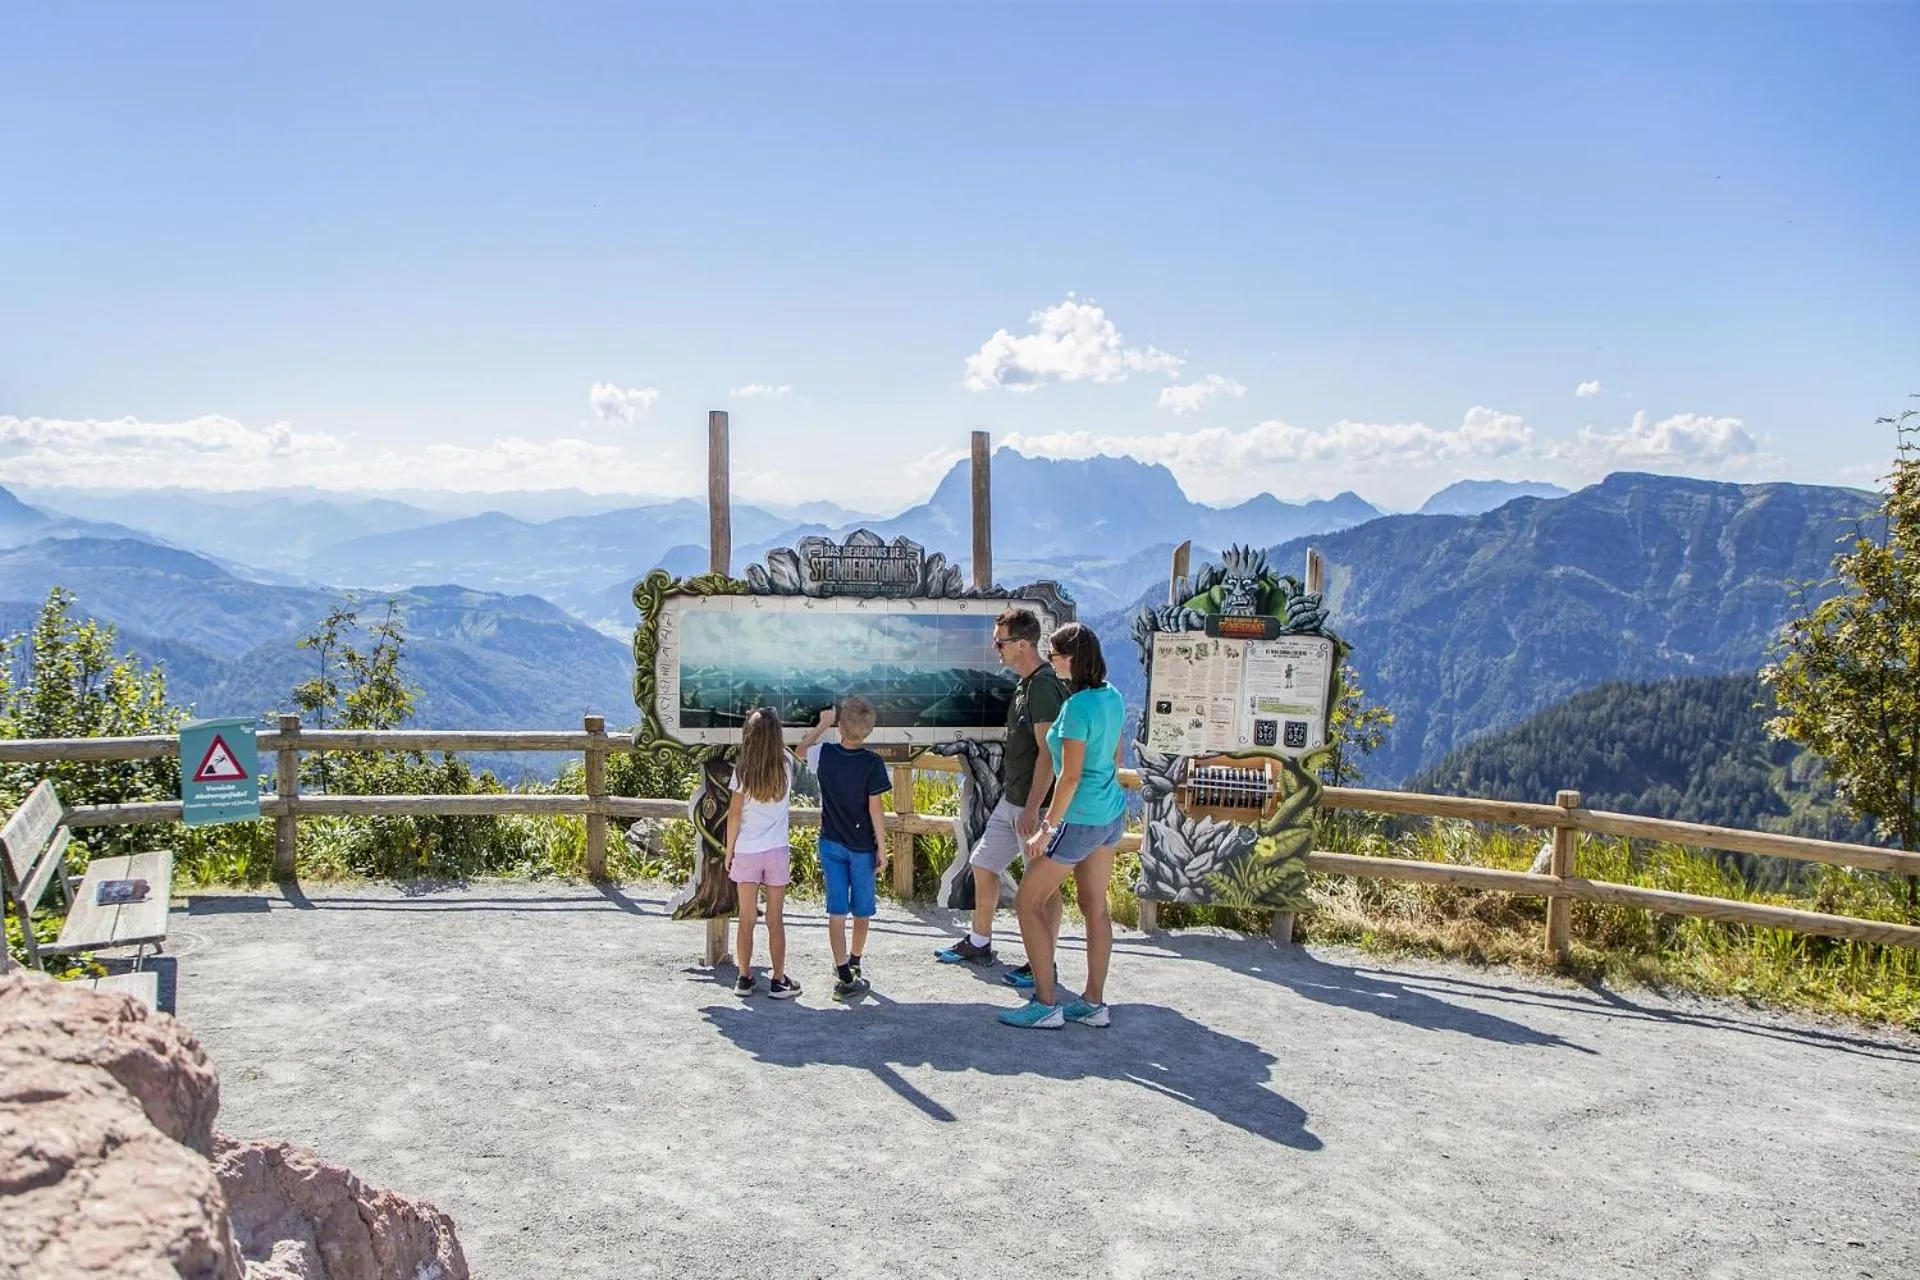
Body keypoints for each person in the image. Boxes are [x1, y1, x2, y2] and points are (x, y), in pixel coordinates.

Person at [999, 622, 1127, 1030]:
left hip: (1079, 818)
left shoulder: (1075, 709)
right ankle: (1093, 1002)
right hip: (1109, 816)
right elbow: (1116, 756)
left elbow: (1069, 777)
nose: (1050, 661)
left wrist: (1046, 828)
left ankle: (1046, 1002)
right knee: (1095, 907)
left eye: (1053, 655)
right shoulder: (1112, 696)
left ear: (1070, 659)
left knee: (1027, 902)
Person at [934, 607, 1067, 970]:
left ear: (1022, 644)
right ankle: (979, 942)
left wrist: (1033, 808)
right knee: (983, 863)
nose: (996, 648)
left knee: (1042, 888)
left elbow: (1049, 753)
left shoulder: (1042, 687)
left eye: (1001, 642)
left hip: (1034, 806)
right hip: (1014, 798)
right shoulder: (1027, 683)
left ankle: (1043, 962)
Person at [796, 696, 891, 1000]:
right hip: (862, 848)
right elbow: (875, 810)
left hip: (831, 843)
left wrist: (822, 723)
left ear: (839, 727)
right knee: (862, 910)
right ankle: (855, 961)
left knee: (836, 911)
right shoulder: (873, 764)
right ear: (868, 731)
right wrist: (882, 848)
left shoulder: (824, 754)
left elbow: (799, 752)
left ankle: (842, 973)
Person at [725, 707, 800, 999]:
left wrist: (729, 851)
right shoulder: (785, 767)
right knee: (775, 919)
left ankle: (744, 978)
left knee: (746, 919)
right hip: (777, 851)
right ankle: (778, 980)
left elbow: (734, 816)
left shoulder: (742, 771)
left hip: (746, 851)